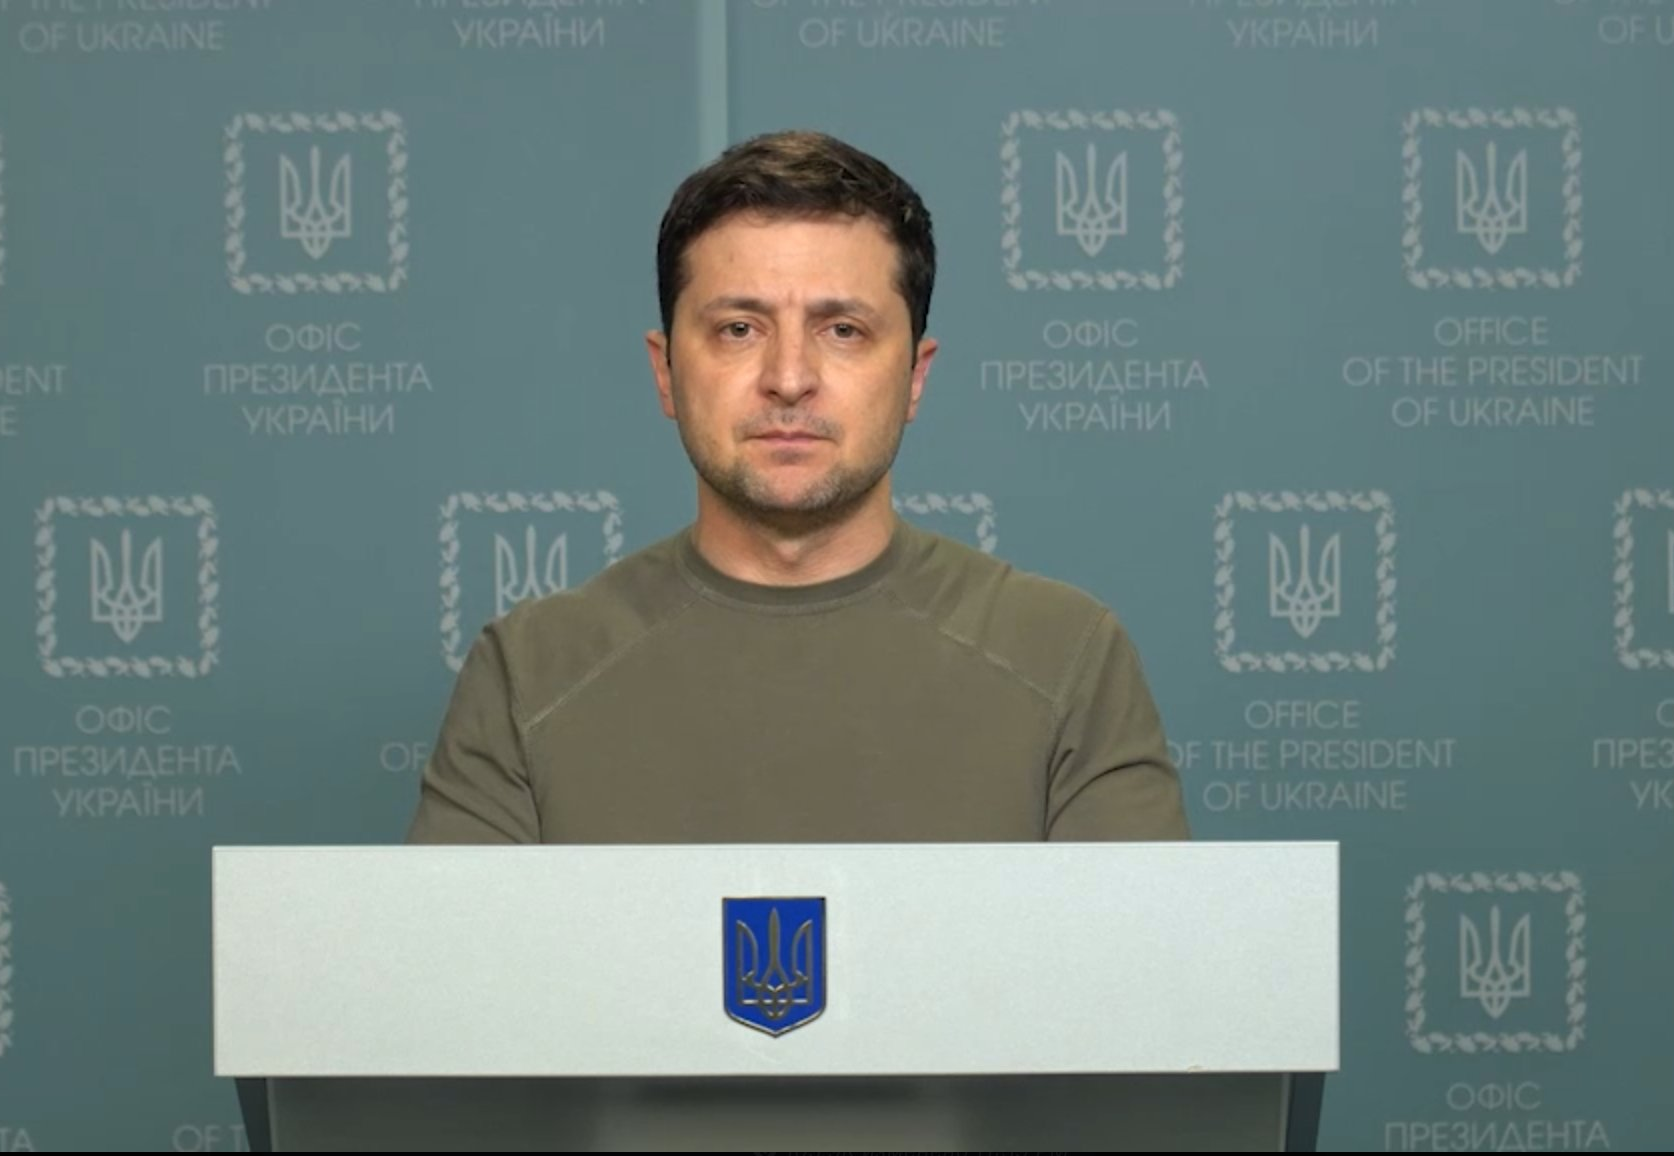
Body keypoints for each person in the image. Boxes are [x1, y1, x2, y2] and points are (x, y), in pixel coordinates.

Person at [406, 130, 1189, 844]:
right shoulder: (529, 673)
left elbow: (1132, 957)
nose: (788, 378)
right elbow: (461, 959)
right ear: (665, 371)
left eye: (842, 330)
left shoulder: (1066, 656)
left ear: (915, 376)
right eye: (738, 329)